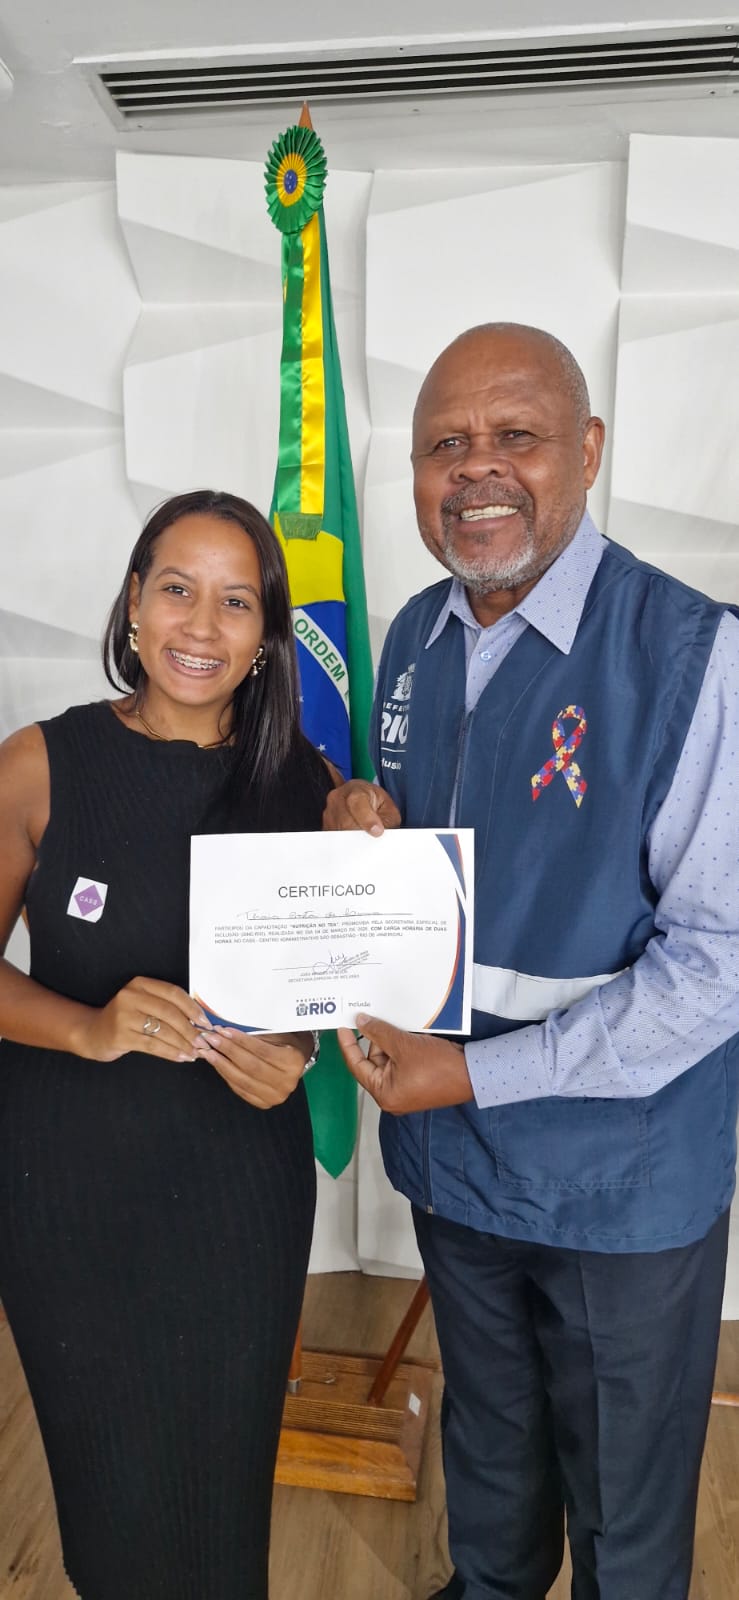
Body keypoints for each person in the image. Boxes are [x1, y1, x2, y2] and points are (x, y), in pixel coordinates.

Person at [326, 324, 739, 1600]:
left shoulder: (691, 653)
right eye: (444, 444)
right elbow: (439, 873)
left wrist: (472, 1077)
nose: (476, 468)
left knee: (624, 1512)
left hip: (619, 1187)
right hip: (456, 1171)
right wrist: (356, 819)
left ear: (589, 451)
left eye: (517, 436)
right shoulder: (413, 636)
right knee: (492, 1461)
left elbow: (715, 969)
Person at [0, 489, 332, 1600]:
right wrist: (87, 1026)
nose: (201, 625)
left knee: (221, 1488)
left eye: (236, 602)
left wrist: (297, 1053)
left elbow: (321, 991)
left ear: (267, 634)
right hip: (65, 1185)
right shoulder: (41, 763)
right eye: (178, 589)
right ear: (134, 602)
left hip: (241, 1185)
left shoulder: (305, 784)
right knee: (110, 1492)